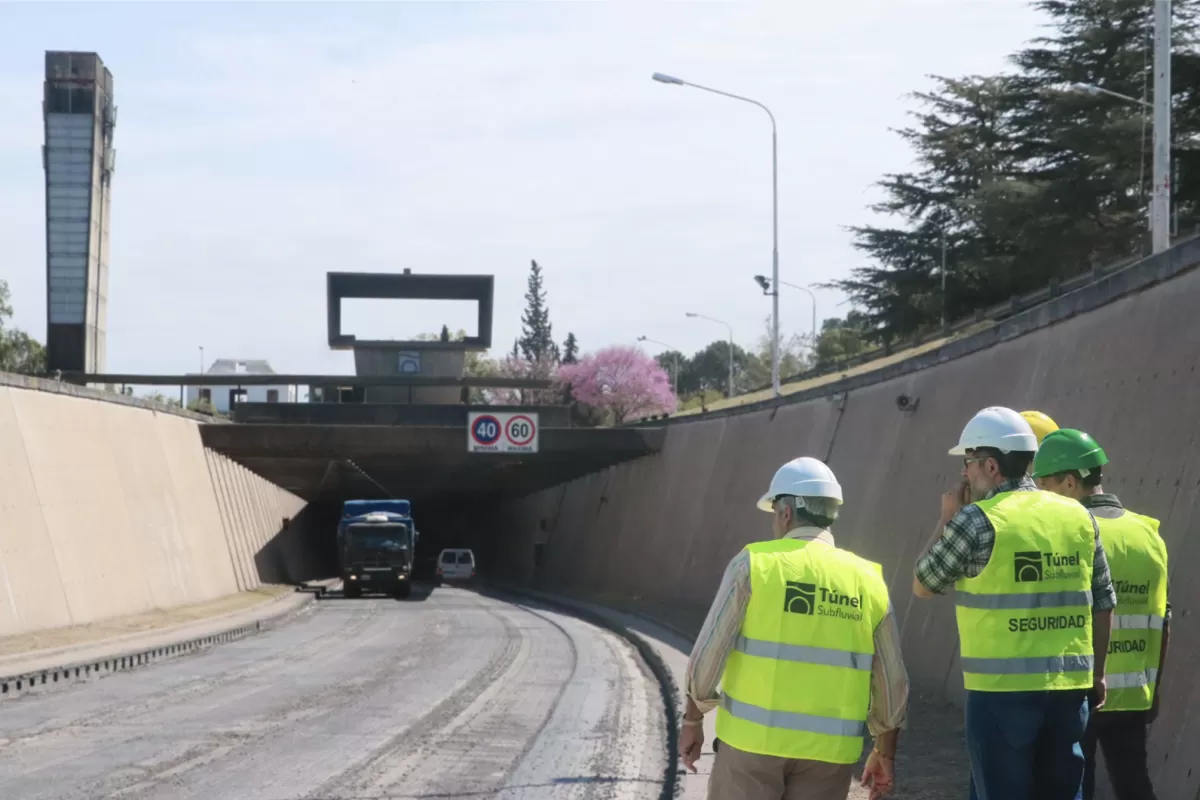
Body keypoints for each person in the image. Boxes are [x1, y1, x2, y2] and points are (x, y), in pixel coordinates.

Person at [912, 406, 1116, 800]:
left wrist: (947, 518)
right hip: (1068, 691)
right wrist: (1098, 674)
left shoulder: (976, 520)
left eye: (968, 464)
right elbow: (1103, 602)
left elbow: (924, 583)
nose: (964, 474)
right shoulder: (1078, 517)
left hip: (1001, 695)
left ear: (991, 466)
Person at [679, 456, 909, 800]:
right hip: (829, 756)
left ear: (785, 513)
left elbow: (710, 654)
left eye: (774, 513)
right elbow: (891, 680)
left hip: (751, 747)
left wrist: (694, 720)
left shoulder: (754, 565)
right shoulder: (867, 579)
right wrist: (885, 751)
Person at [1031, 429, 1169, 800]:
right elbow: (1161, 618)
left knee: (1077, 786)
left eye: (1044, 484)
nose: (1040, 495)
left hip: (1081, 690)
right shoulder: (1148, 533)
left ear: (1070, 482)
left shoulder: (1070, 533)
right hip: (1134, 694)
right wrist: (1153, 692)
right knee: (1134, 783)